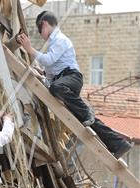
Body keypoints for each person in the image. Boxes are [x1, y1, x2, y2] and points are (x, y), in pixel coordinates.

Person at [17, 11, 133, 159]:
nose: (40, 34)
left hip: (72, 78)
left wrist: (29, 48)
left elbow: (49, 60)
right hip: (64, 81)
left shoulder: (60, 39)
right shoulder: (54, 43)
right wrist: (43, 73)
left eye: (40, 30)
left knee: (56, 88)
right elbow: (52, 70)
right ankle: (118, 144)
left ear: (44, 24)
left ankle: (86, 111)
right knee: (88, 121)